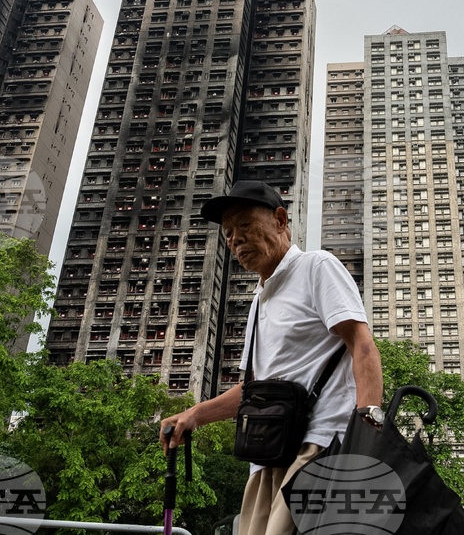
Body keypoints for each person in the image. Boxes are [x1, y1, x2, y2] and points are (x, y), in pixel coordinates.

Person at [160, 180, 383, 535]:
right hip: (268, 452)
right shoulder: (258, 301)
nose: (235, 240)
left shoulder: (316, 267)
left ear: (280, 220)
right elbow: (253, 390)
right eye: (229, 233)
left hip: (321, 444)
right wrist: (194, 415)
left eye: (245, 227)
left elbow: (362, 345)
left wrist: (370, 432)